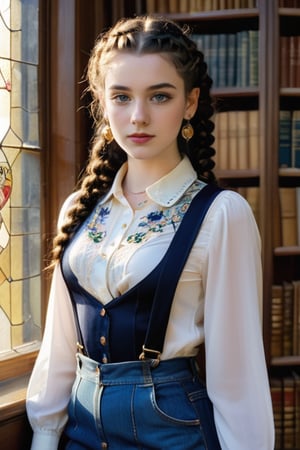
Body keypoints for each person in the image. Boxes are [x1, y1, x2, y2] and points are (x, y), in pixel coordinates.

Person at [26, 15, 275, 450]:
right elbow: (59, 347)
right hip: (79, 433)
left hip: (172, 430)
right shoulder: (81, 209)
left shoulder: (221, 216)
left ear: (190, 103)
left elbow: (237, 378)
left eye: (159, 96)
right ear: (103, 104)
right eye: (121, 97)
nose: (138, 117)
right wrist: (45, 437)